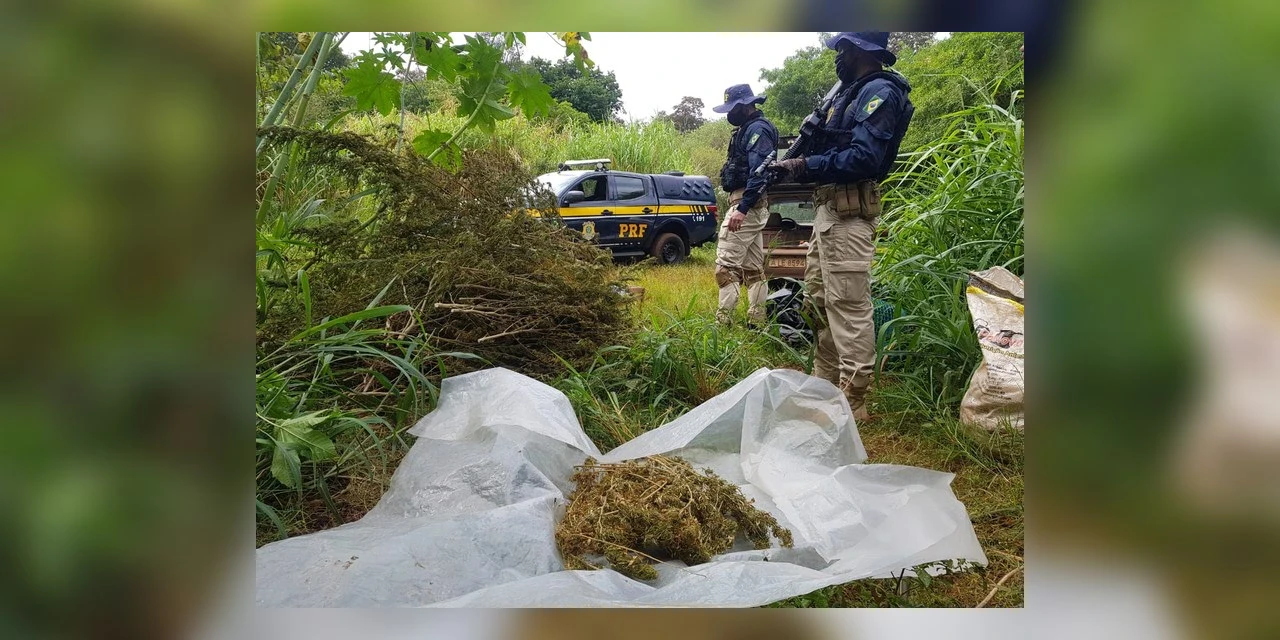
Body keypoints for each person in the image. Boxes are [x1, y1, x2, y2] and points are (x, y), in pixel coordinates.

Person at [769, 32, 914, 420]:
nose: (838, 56)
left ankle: (854, 401)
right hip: (827, 212)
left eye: (842, 49)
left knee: (848, 306)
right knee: (818, 301)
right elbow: (832, 150)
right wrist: (795, 164)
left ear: (859, 50)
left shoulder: (879, 91)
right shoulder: (846, 94)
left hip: (849, 216)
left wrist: (805, 165)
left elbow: (864, 157)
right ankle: (824, 385)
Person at [710, 84, 778, 327]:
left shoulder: (757, 130)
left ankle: (723, 324)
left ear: (745, 106)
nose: (729, 114)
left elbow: (760, 172)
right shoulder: (749, 129)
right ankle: (757, 322)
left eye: (732, 108)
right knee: (753, 270)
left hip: (746, 205)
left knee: (725, 268)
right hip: (750, 205)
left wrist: (742, 209)